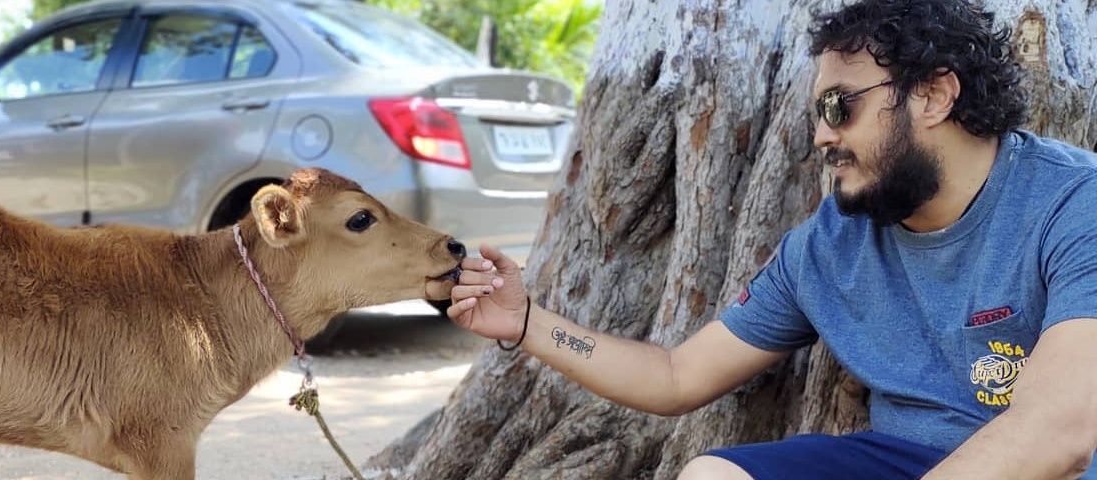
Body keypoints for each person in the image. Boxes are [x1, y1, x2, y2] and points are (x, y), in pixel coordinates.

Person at [446, 0, 1097, 478]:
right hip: (904, 461)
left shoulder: (1074, 204)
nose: (822, 135)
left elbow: (1058, 432)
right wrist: (528, 324)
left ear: (933, 96)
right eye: (817, 114)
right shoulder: (826, 248)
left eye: (841, 107)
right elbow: (675, 377)